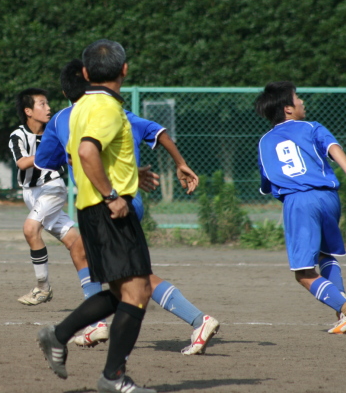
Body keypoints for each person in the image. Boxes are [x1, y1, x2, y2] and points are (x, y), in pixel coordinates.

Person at [35, 59, 219, 354]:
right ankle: (97, 328)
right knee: (86, 255)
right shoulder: (114, 109)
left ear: (65, 91)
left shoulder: (63, 119)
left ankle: (198, 320)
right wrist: (179, 163)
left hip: (109, 204)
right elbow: (157, 131)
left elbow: (45, 160)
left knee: (133, 279)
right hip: (126, 200)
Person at [37, 39, 157, 393]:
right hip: (109, 211)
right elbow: (88, 152)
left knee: (126, 292)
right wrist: (112, 195)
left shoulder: (81, 107)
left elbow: (89, 154)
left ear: (87, 73)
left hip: (92, 210)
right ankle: (113, 377)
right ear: (124, 70)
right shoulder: (106, 107)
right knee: (137, 292)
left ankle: (58, 335)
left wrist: (130, 175)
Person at [256, 81, 346, 334]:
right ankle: (343, 313)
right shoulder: (311, 127)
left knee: (304, 273)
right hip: (329, 197)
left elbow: (267, 184)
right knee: (324, 255)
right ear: (288, 108)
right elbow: (333, 148)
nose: (302, 101)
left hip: (299, 201)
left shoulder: (265, 142)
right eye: (297, 98)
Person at [8, 88, 102, 309]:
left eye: (48, 103)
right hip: (31, 194)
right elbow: (21, 163)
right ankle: (97, 289)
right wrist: (48, 155)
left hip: (52, 188)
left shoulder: (57, 129)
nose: (48, 108)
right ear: (28, 111)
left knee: (30, 229)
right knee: (75, 243)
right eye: (42, 104)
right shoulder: (18, 135)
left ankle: (42, 287)